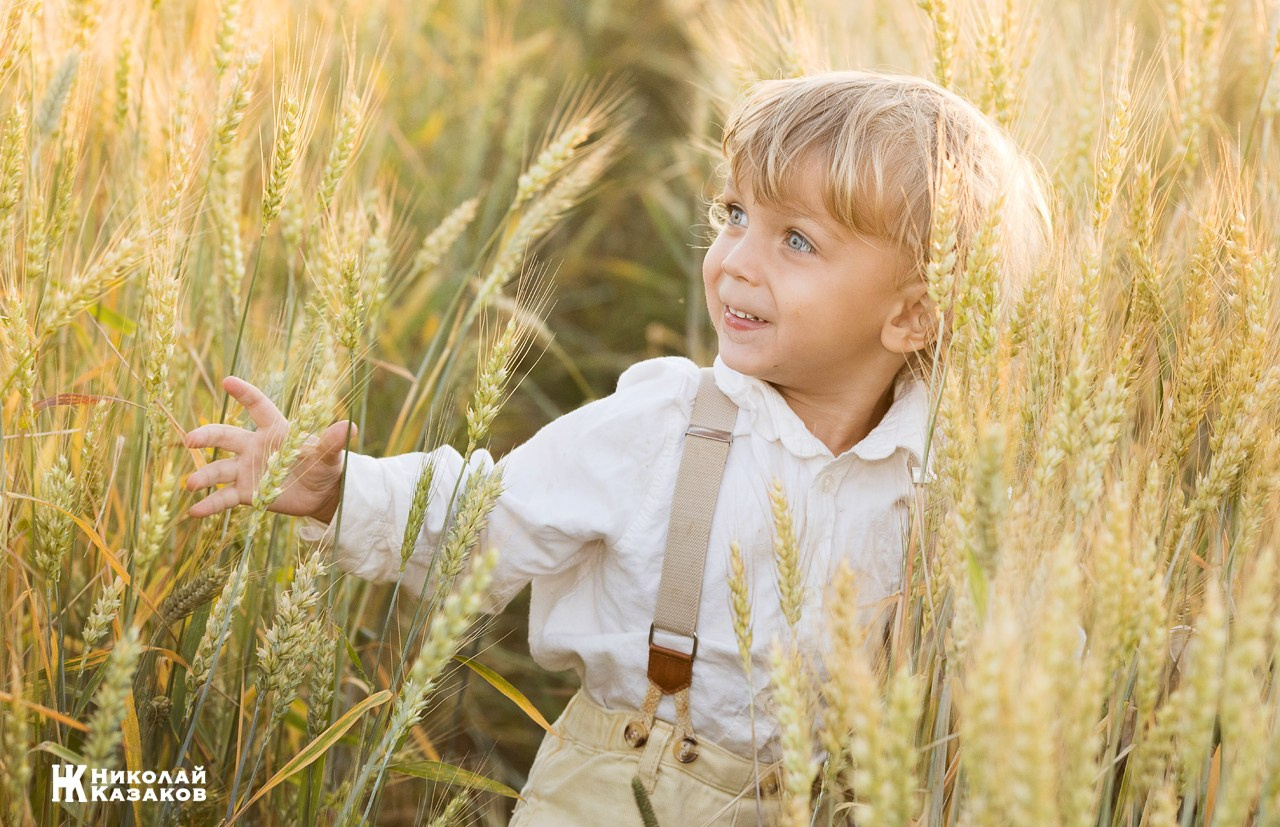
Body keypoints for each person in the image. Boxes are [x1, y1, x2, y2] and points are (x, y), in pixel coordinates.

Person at [182, 70, 1050, 825]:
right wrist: (341, 493)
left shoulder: (940, 477)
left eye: (796, 240)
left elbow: (1008, 656)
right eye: (734, 214)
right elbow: (486, 516)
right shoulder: (667, 424)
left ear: (913, 314)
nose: (735, 260)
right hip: (618, 788)